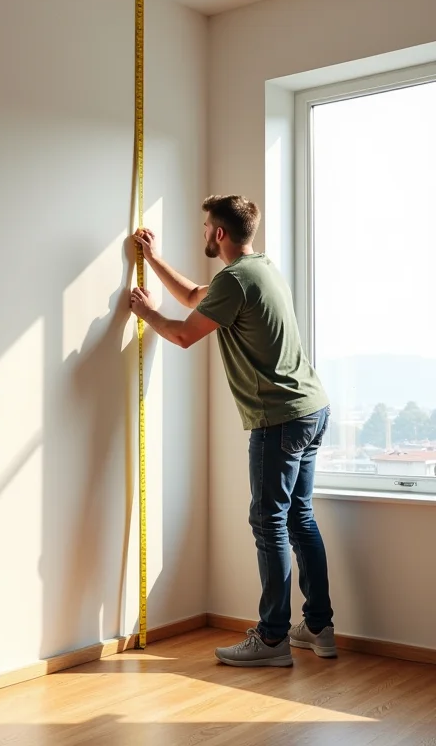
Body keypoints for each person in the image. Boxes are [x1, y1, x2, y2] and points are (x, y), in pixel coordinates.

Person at [129, 194, 336, 667]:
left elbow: (183, 334)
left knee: (269, 524)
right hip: (312, 408)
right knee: (298, 518)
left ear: (219, 233)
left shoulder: (236, 280)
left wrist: (145, 314)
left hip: (279, 418)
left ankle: (271, 640)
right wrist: (155, 260)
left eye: (206, 226)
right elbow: (196, 298)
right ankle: (319, 629)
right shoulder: (258, 270)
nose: (203, 232)